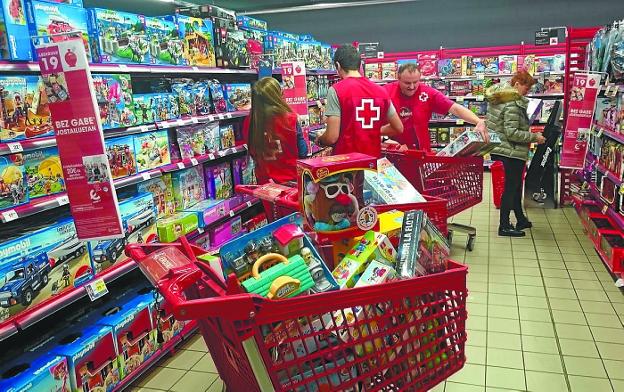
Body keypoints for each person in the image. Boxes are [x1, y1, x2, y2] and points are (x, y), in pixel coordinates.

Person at [486, 70, 546, 237]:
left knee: (516, 186)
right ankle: (504, 225)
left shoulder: (502, 96)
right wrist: (535, 137)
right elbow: (512, 132)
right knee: (511, 188)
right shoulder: (512, 103)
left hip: (504, 148)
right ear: (517, 84)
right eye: (526, 89)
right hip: (510, 149)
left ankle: (520, 218)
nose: (527, 93)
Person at [317, 45, 403, 157]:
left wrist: (320, 140)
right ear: (360, 64)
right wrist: (371, 130)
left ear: (337, 65)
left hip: (345, 163)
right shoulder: (381, 91)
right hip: (372, 162)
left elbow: (332, 137)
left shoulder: (336, 90)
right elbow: (398, 128)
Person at [384, 63, 489, 151]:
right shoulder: (385, 93)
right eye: (407, 83)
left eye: (415, 82)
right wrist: (385, 140)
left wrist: (478, 121)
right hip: (392, 153)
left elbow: (455, 108)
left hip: (422, 154)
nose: (412, 87)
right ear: (398, 78)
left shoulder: (428, 93)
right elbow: (371, 124)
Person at [243, 77, 308, 184]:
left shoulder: (249, 122)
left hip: (265, 182)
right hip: (291, 180)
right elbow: (303, 151)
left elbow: (252, 152)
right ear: (278, 95)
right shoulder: (290, 119)